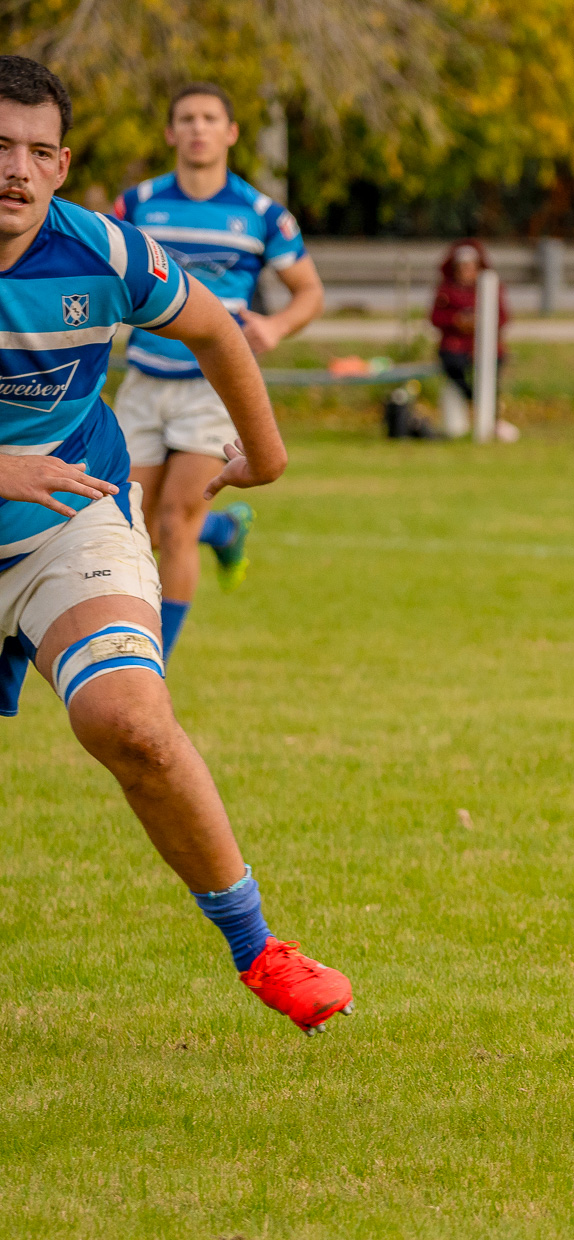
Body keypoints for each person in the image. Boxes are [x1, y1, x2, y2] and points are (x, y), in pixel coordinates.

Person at [0, 57, 352, 1033]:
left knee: (134, 722)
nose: (15, 172)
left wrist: (269, 457)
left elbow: (215, 327)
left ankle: (261, 949)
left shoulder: (108, 249)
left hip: (63, 519)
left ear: (64, 165)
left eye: (36, 151)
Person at [112, 83, 324, 655]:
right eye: (186, 118)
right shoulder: (137, 205)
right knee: (136, 527)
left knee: (175, 525)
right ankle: (226, 530)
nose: (198, 128)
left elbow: (307, 291)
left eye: (209, 118)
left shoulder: (260, 214)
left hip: (214, 388)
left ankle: (154, 666)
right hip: (143, 382)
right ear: (171, 133)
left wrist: (276, 327)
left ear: (230, 133)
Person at [429, 239, 508, 408]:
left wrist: (480, 323)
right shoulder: (447, 290)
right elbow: (435, 318)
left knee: (493, 365)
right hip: (455, 345)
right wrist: (456, 321)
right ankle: (475, 400)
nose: (467, 272)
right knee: (453, 365)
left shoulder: (489, 288)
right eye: (463, 267)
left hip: (484, 345)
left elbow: (503, 318)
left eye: (471, 267)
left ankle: (489, 408)